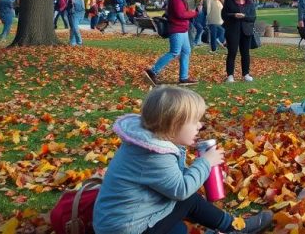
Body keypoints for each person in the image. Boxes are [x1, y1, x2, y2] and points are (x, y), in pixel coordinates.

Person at [92, 86, 272, 234]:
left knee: (179, 225)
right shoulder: (153, 155)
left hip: (128, 220)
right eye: (194, 121)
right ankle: (234, 227)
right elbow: (181, 189)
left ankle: (229, 226)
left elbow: (171, 180)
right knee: (187, 200)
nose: (200, 125)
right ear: (173, 125)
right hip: (128, 228)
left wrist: (206, 171)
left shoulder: (150, 143)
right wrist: (206, 162)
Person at [144, 0, 198, 86]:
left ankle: (183, 77)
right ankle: (152, 71)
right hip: (177, 29)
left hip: (183, 29)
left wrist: (191, 13)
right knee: (174, 52)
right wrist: (194, 13)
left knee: (186, 51)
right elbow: (181, 14)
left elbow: (182, 13)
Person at [222, 0, 257, 83]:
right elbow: (224, 15)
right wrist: (234, 15)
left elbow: (253, 18)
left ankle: (246, 74)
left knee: (245, 53)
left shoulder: (249, 3)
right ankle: (230, 75)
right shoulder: (229, 1)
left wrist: (245, 16)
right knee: (232, 52)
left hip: (246, 32)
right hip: (233, 31)